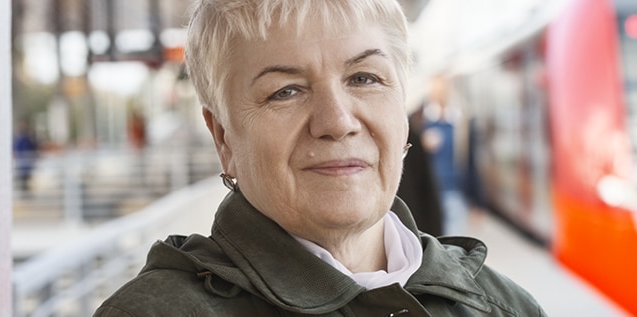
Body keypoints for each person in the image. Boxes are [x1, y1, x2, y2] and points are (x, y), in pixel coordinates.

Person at [94, 1, 545, 316]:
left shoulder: (507, 307)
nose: (337, 121)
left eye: (365, 78)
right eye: (284, 91)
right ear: (224, 138)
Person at [420, 75, 469, 235]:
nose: (439, 95)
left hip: (455, 191)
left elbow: (470, 161)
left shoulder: (461, 122)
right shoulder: (419, 121)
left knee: (454, 243)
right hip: (430, 192)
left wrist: (479, 202)